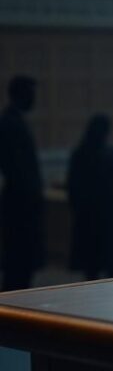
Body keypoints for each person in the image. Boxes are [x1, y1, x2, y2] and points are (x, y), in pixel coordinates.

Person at [66, 114, 113, 280]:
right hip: (98, 215)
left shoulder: (82, 153)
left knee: (98, 266)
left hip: (100, 215)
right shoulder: (89, 153)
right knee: (99, 265)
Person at [0, 75, 45, 291]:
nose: (34, 99)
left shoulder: (14, 120)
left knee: (22, 266)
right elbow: (17, 169)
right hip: (20, 205)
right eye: (30, 93)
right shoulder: (9, 122)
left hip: (23, 203)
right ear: (20, 95)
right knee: (18, 266)